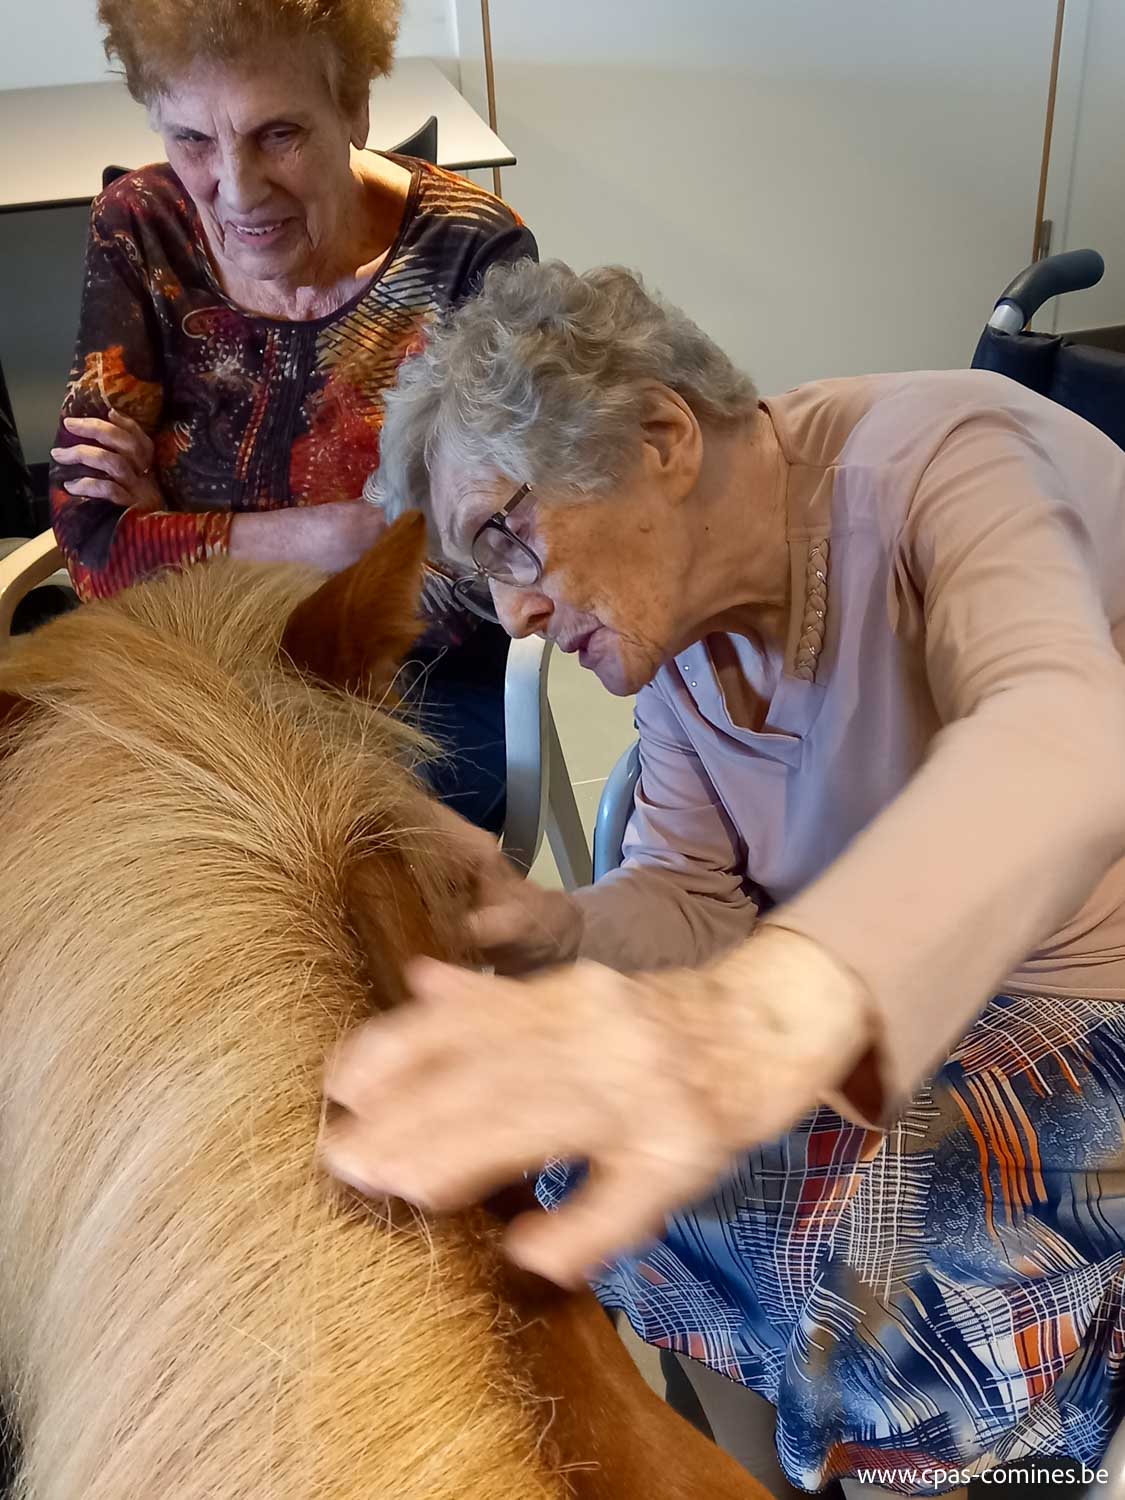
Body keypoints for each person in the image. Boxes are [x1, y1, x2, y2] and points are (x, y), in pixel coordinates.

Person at [321, 259, 1125, 1495]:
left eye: (507, 536)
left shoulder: (948, 459)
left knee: (876, 1278)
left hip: (1090, 985)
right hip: (911, 1002)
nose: (515, 613)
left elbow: (1070, 728)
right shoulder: (682, 640)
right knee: (571, 1157)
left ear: (661, 436)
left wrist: (748, 1022)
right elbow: (698, 902)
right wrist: (542, 925)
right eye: (486, 578)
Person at [47, 0, 538, 833]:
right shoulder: (141, 227)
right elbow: (93, 549)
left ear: (354, 109)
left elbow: (494, 572)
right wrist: (332, 537)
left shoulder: (472, 253)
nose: (236, 190)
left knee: (275, 856)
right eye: (192, 138)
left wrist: (171, 535)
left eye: (278, 134)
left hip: (406, 681)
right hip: (187, 668)